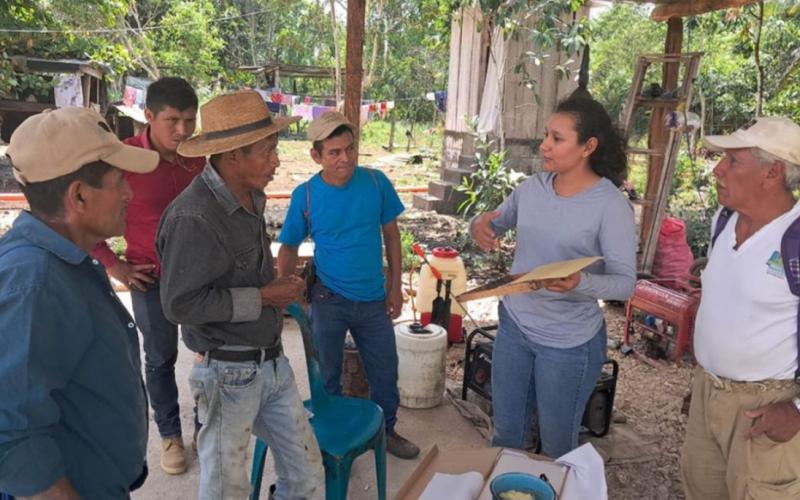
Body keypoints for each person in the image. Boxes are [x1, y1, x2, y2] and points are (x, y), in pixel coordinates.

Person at [156, 91, 324, 499]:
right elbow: (179, 304)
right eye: (268, 151)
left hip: (271, 363)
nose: (276, 161)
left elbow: (246, 270)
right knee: (225, 490)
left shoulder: (250, 194)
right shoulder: (193, 216)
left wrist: (278, 288)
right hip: (227, 372)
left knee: (306, 475)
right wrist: (265, 297)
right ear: (232, 156)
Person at [0, 107, 157, 498]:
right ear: (80, 196)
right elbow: (12, 435)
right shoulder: (34, 282)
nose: (130, 193)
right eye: (120, 181)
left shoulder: (65, 259)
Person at [470, 95, 636, 458]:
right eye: (547, 135)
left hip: (569, 343)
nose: (544, 145)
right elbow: (492, 223)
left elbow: (625, 283)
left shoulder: (611, 206)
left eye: (557, 138)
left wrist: (581, 284)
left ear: (587, 147)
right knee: (506, 434)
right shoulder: (532, 189)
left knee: (557, 445)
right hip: (515, 326)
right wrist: (478, 227)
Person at [277, 111, 420, 459]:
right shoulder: (306, 196)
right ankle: (333, 439)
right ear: (316, 155)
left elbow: (391, 235)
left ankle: (386, 431)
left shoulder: (375, 183)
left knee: (385, 370)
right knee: (327, 374)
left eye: (349, 149)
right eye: (334, 152)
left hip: (373, 300)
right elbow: (289, 246)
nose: (344, 159)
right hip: (328, 298)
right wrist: (287, 289)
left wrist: (394, 286)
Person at [680, 117, 800, 500]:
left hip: (767, 406)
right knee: (701, 489)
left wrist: (797, 410)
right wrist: (707, 383)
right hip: (709, 394)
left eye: (733, 161)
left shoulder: (794, 241)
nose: (718, 169)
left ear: (772, 173)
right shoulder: (724, 220)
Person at [92, 76, 203, 475]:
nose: (182, 131)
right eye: (172, 120)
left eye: (190, 120)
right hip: (149, 278)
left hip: (199, 278)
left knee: (207, 354)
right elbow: (84, 215)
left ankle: (203, 430)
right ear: (149, 116)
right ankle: (171, 436)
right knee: (159, 359)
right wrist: (113, 263)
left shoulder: (198, 157)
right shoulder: (124, 160)